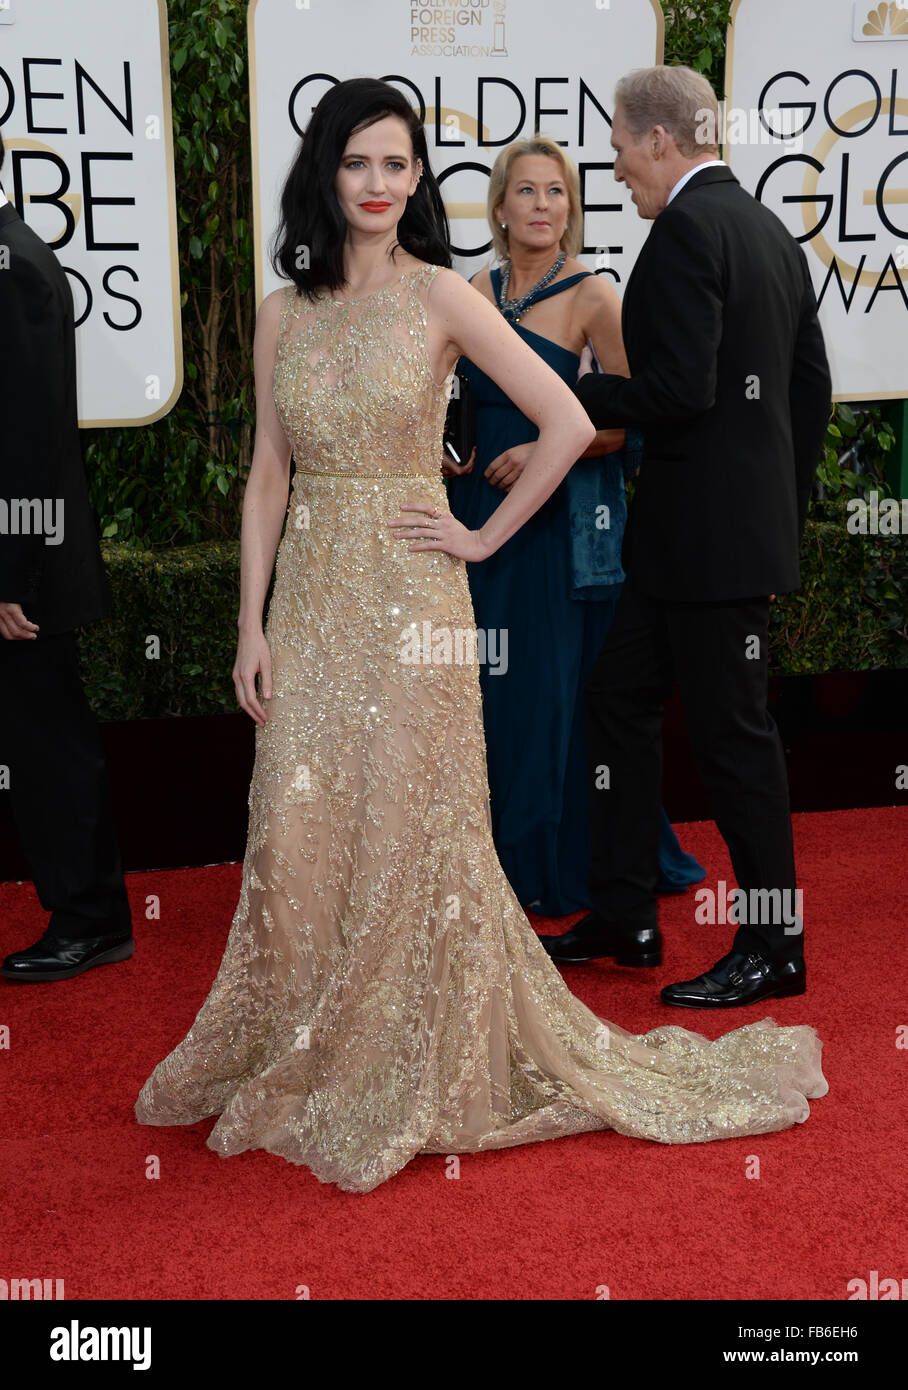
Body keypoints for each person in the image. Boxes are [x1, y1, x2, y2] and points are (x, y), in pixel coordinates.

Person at [134, 79, 826, 1194]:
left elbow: (563, 420)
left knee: (413, 821)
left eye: (397, 165)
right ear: (325, 173)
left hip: (413, 594)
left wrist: (479, 534)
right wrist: (247, 624)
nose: (376, 184)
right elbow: (268, 474)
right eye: (358, 163)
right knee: (297, 823)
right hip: (310, 601)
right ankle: (303, 1041)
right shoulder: (281, 310)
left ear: (417, 182)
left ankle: (408, 1050)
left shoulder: (443, 298)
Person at [540, 67, 833, 1007]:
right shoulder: (768, 232)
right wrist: (773, 512)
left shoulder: (682, 234)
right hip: (701, 547)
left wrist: (572, 395)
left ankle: (775, 946)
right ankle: (626, 911)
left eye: (622, 144)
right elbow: (810, 393)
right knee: (617, 699)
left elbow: (677, 394)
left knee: (735, 742)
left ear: (662, 140)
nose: (617, 163)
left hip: (706, 551)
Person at [446, 134, 704, 923]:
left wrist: (537, 453)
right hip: (474, 517)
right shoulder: (468, 289)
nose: (542, 207)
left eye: (556, 193)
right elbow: (450, 401)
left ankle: (546, 860)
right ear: (498, 207)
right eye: (526, 192)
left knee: (542, 694)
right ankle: (482, 856)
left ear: (571, 209)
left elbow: (627, 424)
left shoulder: (595, 294)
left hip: (558, 523)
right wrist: (454, 451)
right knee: (481, 694)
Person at [0, 129, 133, 983]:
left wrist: (11, 573)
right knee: (44, 739)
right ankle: (92, 912)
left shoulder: (13, 268)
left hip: (25, 568)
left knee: (46, 745)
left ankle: (88, 918)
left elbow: (27, 434)